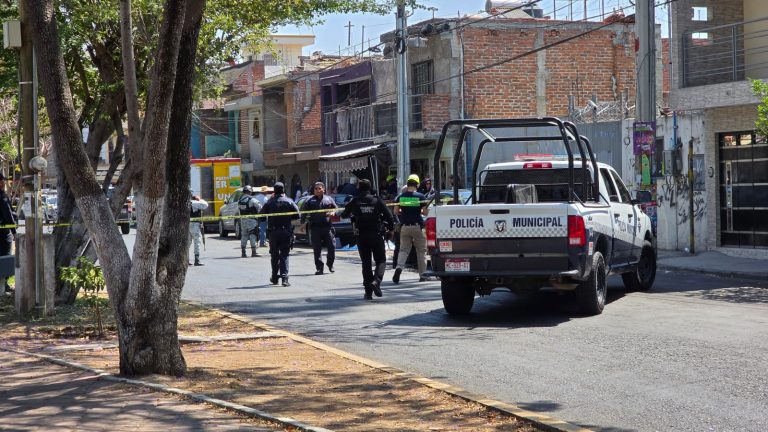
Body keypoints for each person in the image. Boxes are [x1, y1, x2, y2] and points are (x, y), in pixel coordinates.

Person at [341, 179, 394, 300]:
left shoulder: (354, 201)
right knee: (381, 260)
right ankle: (376, 281)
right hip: (376, 235)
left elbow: (344, 214)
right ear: (370, 187)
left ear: (359, 187)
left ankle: (368, 292)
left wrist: (352, 212)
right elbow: (389, 216)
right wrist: (391, 230)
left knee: (366, 264)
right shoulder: (377, 200)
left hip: (361, 236)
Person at [259, 181, 299, 287]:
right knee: (284, 255)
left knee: (274, 255)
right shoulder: (289, 201)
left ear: (274, 191)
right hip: (286, 231)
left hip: (273, 232)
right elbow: (297, 215)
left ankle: (275, 277)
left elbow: (261, 216)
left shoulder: (269, 202)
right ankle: (284, 279)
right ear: (283, 190)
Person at [392, 174, 429, 284]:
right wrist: (420, 211)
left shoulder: (400, 197)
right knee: (421, 251)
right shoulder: (421, 197)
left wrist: (404, 212)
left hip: (404, 227)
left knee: (403, 250)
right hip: (417, 226)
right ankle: (423, 275)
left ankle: (399, 268)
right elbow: (425, 212)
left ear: (407, 184)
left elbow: (395, 212)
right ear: (417, 184)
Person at [300, 182, 338, 275]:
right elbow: (304, 213)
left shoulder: (329, 199)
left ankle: (330, 263)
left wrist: (333, 212)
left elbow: (336, 208)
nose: (317, 190)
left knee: (332, 247)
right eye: (316, 189)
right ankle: (319, 268)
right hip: (315, 227)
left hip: (327, 227)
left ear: (323, 189)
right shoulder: (310, 200)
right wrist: (302, 224)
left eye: (319, 188)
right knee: (317, 249)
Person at [0, 174, 16, 293]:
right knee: (5, 257)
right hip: (3, 233)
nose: (3, 183)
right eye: (1, 181)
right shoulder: (2, 196)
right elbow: (8, 216)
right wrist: (14, 231)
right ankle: (4, 285)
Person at [237, 185, 262, 258]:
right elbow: (260, 207)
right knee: (252, 235)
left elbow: (239, 210)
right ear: (250, 192)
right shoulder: (252, 199)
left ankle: (243, 253)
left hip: (243, 220)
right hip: (252, 220)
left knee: (244, 235)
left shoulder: (240, 200)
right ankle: (254, 252)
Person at [189, 193, 209, 266]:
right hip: (195, 225)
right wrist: (199, 199)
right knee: (197, 242)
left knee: (188, 243)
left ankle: (186, 260)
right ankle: (197, 260)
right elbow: (206, 205)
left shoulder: (187, 202)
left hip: (188, 224)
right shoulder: (195, 203)